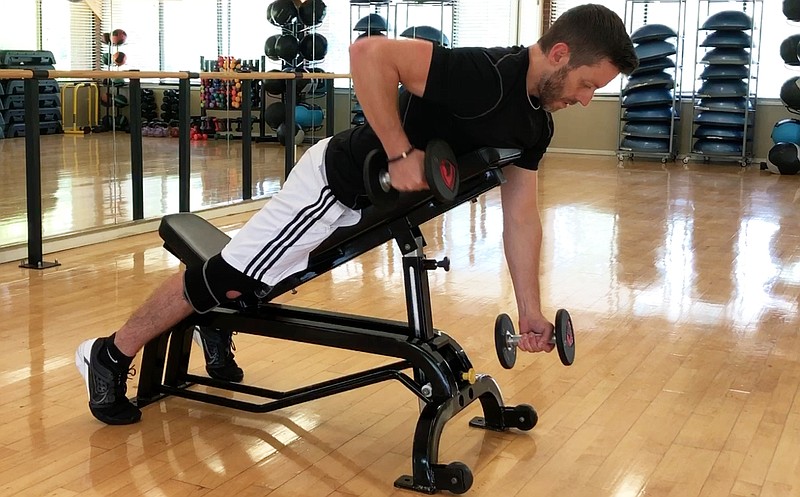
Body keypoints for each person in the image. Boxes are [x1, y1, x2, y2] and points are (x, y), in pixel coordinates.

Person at [75, 4, 638, 425]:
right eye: (589, 84)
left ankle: (212, 323)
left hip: (371, 208)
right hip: (334, 188)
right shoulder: (486, 76)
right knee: (223, 280)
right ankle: (108, 353)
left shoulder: (535, 124)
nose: (588, 98)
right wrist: (398, 151)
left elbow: (521, 217)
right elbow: (370, 54)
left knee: (256, 282)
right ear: (561, 54)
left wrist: (530, 308)